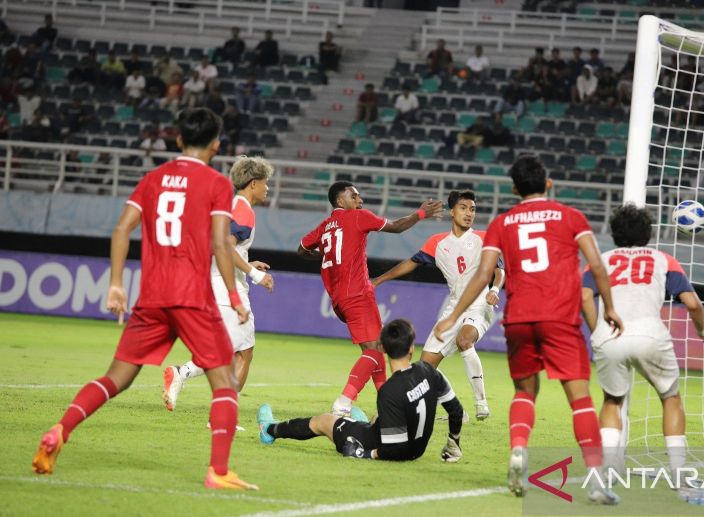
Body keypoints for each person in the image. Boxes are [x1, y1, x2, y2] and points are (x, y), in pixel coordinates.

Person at [32, 108, 258, 491]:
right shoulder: (218, 184)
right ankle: (218, 471)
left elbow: (122, 229)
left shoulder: (153, 179)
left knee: (115, 377)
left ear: (178, 140)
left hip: (152, 296)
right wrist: (235, 295)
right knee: (223, 382)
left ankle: (61, 429)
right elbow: (220, 243)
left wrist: (116, 283)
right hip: (192, 298)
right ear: (217, 145)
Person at [433, 155, 623, 503]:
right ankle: (596, 481)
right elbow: (596, 264)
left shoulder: (502, 223)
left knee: (524, 393)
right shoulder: (571, 217)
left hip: (519, 319)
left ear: (514, 189)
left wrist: (453, 314)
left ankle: (519, 453)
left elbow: (481, 275)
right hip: (560, 317)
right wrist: (609, 306)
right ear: (548, 184)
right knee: (579, 398)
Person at [580, 204, 704, 482]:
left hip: (610, 335)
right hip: (650, 333)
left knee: (612, 401)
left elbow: (583, 297)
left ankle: (610, 468)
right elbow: (692, 303)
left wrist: (597, 331)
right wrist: (703, 331)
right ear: (648, 234)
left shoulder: (600, 259)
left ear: (615, 233)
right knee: (671, 398)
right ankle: (678, 472)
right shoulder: (663, 259)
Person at [298, 182, 443, 416]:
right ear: (340, 201)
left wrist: (326, 255)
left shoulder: (325, 227)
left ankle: (387, 404)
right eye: (354, 196)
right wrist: (421, 213)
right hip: (357, 294)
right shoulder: (357, 217)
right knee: (376, 348)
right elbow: (396, 227)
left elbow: (301, 249)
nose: (360, 200)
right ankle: (345, 400)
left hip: (339, 299)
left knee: (374, 348)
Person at [372, 190, 505, 420]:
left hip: (479, 304)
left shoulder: (484, 238)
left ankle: (481, 403)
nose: (469, 213)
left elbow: (499, 269)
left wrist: (495, 289)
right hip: (453, 308)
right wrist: (378, 280)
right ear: (452, 212)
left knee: (465, 340)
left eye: (472, 209)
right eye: (463, 208)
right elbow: (410, 264)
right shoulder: (437, 243)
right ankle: (456, 410)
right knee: (425, 369)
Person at [257, 319, 464, 463]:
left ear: (383, 347)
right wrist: (453, 444)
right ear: (411, 348)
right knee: (379, 417)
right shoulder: (428, 370)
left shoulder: (390, 390)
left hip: (389, 447)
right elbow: (456, 411)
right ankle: (364, 424)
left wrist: (364, 454)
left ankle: (268, 430)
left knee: (324, 421)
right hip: (418, 449)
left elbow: (395, 449)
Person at [164, 156, 276, 418]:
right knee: (237, 354)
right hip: (227, 288)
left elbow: (228, 246)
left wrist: (249, 262)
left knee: (238, 352)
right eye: (265, 183)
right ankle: (211, 405)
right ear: (252, 184)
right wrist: (254, 275)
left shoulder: (233, 205)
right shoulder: (244, 210)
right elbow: (224, 245)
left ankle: (191, 382)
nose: (267, 188)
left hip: (217, 283)